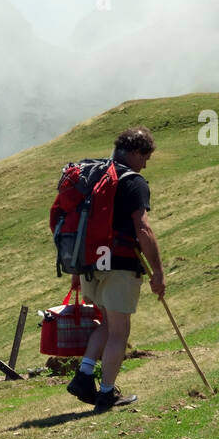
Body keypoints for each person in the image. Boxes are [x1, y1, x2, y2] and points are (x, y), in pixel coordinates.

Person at [67, 126, 165, 410]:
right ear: (135, 152)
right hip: (119, 263)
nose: (145, 163)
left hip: (89, 263)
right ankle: (106, 393)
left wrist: (75, 268)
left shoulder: (92, 174)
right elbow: (143, 229)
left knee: (107, 324)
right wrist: (158, 272)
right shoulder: (132, 181)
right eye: (145, 157)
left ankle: (84, 375)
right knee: (120, 331)